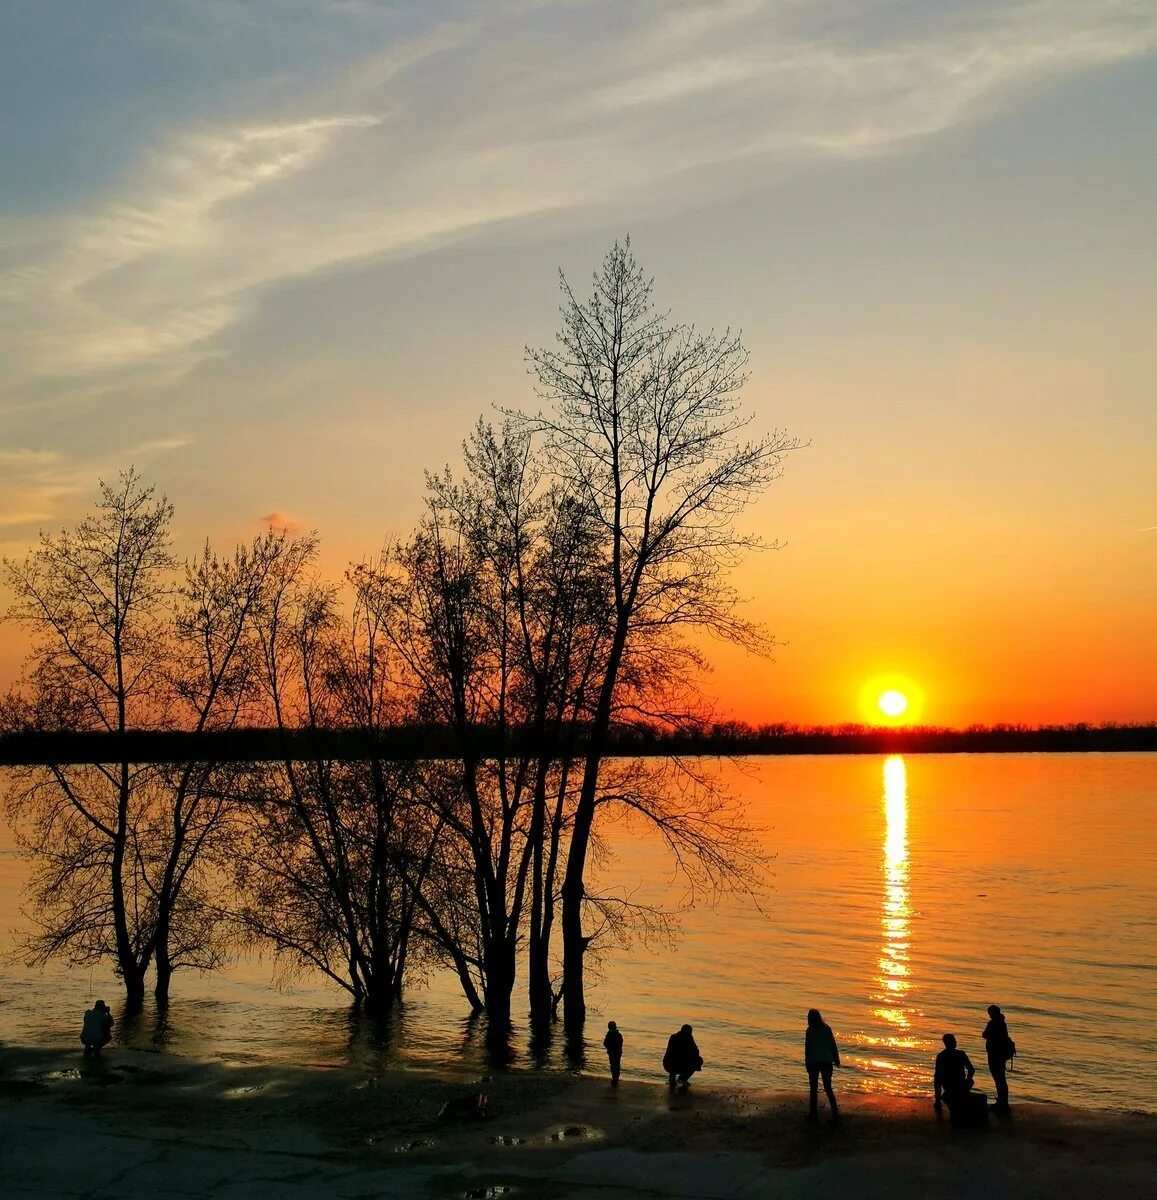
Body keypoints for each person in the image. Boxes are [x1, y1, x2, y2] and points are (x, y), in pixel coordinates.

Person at [934, 1034, 982, 1123]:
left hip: (949, 1087)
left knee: (943, 1087)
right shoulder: (961, 1054)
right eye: (954, 1040)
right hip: (961, 1085)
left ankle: (954, 1099)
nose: (956, 1042)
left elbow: (937, 1078)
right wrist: (968, 1079)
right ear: (951, 1043)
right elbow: (971, 1070)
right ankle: (961, 1097)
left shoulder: (941, 1056)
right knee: (970, 1081)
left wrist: (937, 1099)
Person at [804, 1008, 840, 1121]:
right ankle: (835, 1113)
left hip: (814, 1062)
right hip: (826, 1061)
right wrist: (836, 1059)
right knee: (828, 1087)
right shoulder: (827, 1029)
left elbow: (808, 1049)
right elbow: (833, 1045)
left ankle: (813, 1114)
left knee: (813, 1089)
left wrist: (807, 1063)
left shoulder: (810, 1030)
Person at [982, 1004, 1015, 1113]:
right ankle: (1003, 1101)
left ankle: (1002, 1103)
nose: (989, 1015)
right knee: (1001, 1079)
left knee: (999, 1078)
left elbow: (985, 1034)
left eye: (990, 1013)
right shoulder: (1002, 1023)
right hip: (1000, 1054)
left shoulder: (993, 1023)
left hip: (995, 1054)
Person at [662, 1024, 703, 1088]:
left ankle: (677, 1079)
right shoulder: (682, 1038)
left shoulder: (676, 1037)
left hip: (671, 1064)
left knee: (697, 1059)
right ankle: (679, 1078)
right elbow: (694, 1052)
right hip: (674, 1064)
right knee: (697, 1060)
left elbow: (695, 1051)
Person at [603, 1020, 623, 1085]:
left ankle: (614, 1077)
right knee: (617, 1064)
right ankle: (616, 1077)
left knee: (612, 1064)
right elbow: (621, 1043)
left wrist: (609, 1047)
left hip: (611, 1052)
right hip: (618, 1052)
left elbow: (605, 1043)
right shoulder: (619, 1034)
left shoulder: (609, 1034)